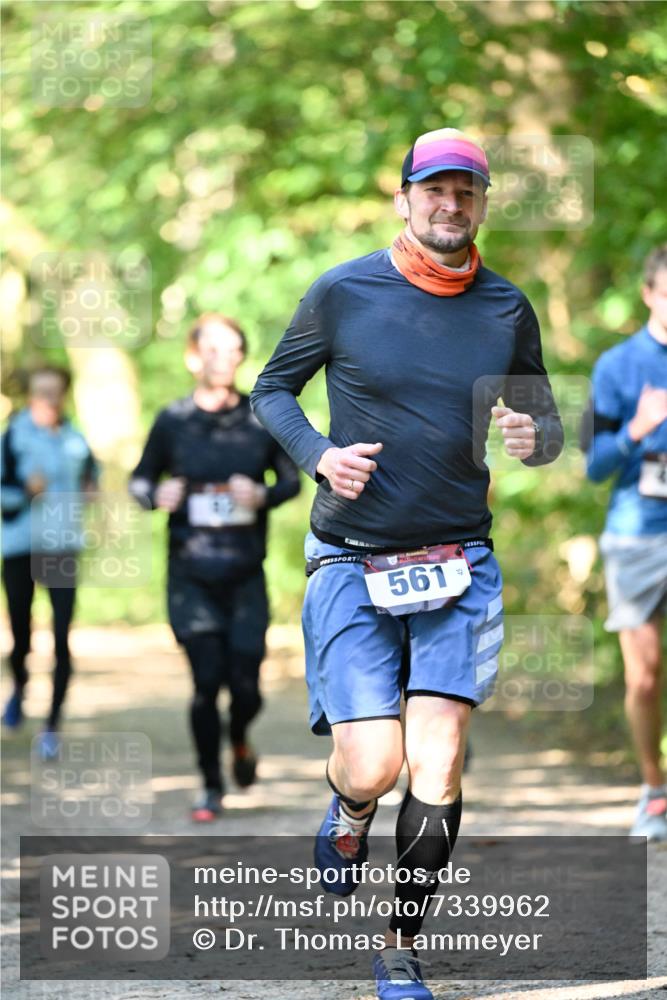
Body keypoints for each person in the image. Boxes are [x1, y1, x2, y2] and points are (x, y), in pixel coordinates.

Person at [251, 128, 563, 999]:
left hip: (458, 559)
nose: (449, 205)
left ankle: (399, 943)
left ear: (483, 204)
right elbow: (271, 388)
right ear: (403, 198)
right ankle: (349, 810)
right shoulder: (344, 291)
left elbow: (544, 428)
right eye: (434, 189)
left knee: (438, 761)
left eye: (466, 192)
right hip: (351, 557)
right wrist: (317, 453)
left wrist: (534, 436)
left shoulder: (506, 307)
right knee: (375, 766)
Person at [130, 313, 300, 822]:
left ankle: (241, 739)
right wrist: (155, 494)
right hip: (191, 574)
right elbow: (140, 481)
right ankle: (210, 786)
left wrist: (263, 494)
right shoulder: (173, 420)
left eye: (233, 351)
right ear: (192, 357)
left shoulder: (259, 418)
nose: (223, 359)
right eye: (212, 350)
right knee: (206, 684)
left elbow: (292, 480)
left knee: (245, 688)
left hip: (246, 571)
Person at [582, 244, 667, 842]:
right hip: (639, 532)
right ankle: (654, 790)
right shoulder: (617, 365)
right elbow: (593, 464)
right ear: (649, 293)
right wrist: (636, 429)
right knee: (644, 675)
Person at [1, 365, 99, 759]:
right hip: (21, 547)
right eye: (42, 391)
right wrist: (25, 491)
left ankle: (52, 724)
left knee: (61, 636)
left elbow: (92, 477)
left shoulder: (76, 438)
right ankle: (21, 686)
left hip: (62, 546)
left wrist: (92, 493)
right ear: (30, 394)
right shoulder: (12, 436)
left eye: (55, 392)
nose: (49, 399)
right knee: (22, 635)